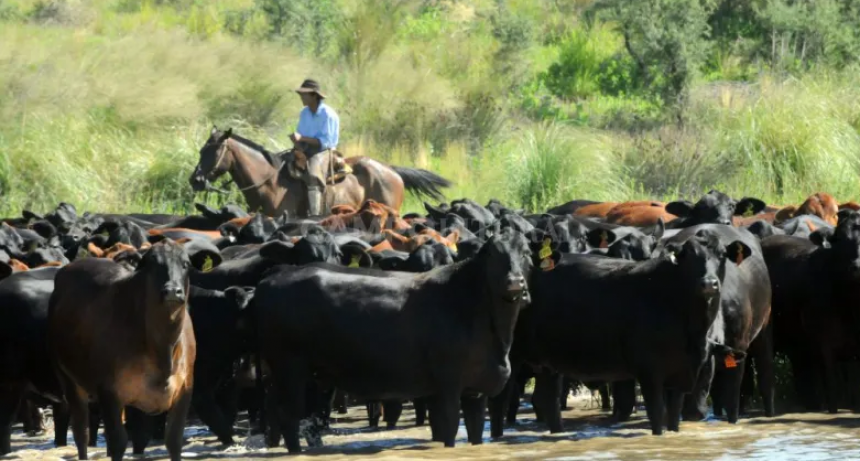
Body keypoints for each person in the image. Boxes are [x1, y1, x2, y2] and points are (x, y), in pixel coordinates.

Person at [290, 78, 340, 217]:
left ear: (314, 95)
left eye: (304, 94)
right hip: (305, 148)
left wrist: (302, 138)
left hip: (324, 151)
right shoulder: (304, 112)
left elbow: (326, 141)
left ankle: (315, 215)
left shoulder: (327, 114)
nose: (301, 97)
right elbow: (301, 134)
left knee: (312, 174)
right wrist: (297, 142)